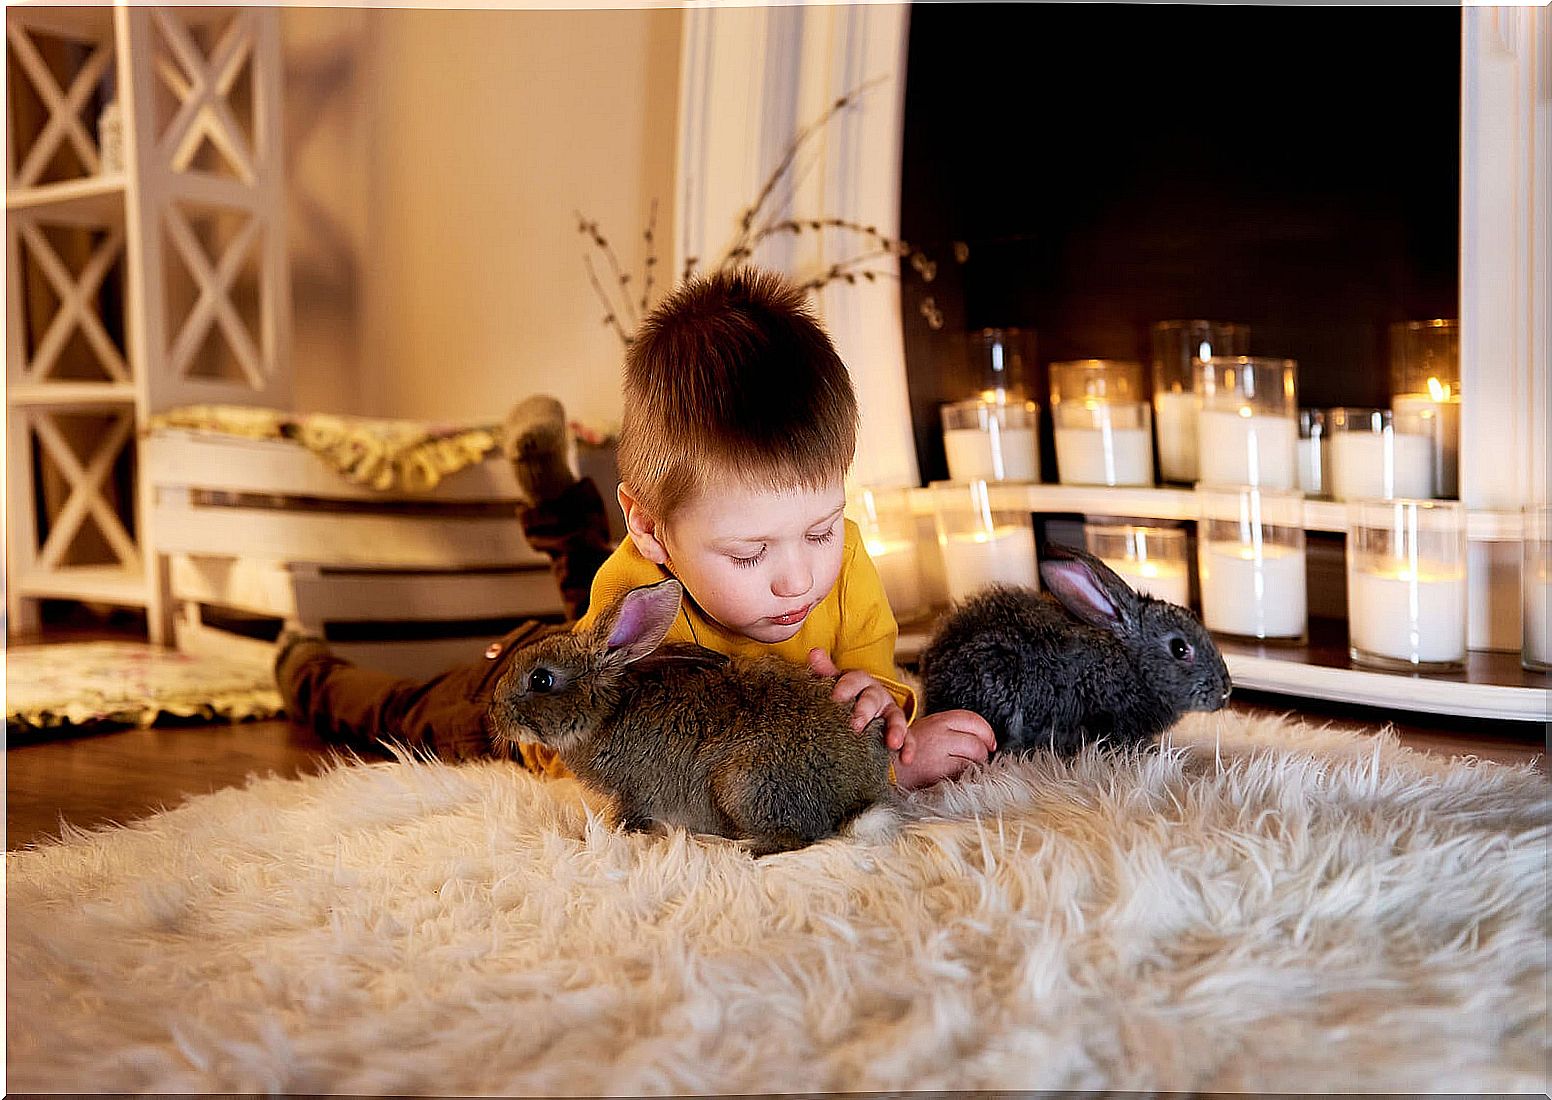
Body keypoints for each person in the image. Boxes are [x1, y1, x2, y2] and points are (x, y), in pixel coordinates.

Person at [277, 266, 995, 788]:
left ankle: (561, 506)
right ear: (650, 527)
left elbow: (869, 668)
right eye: (749, 553)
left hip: (626, 616)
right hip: (535, 687)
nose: (800, 577)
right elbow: (689, 780)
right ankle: (305, 668)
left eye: (820, 531)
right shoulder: (638, 590)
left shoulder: (834, 563)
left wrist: (880, 707)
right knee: (400, 711)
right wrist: (879, 778)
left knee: (602, 590)